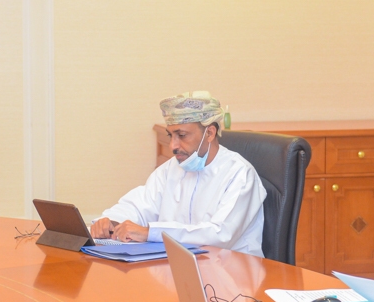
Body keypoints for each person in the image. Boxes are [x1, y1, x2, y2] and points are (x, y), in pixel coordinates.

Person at [92, 91, 265, 256]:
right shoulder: (171, 169)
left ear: (210, 133)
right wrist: (112, 222)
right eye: (171, 136)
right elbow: (139, 205)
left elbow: (219, 235)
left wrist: (150, 233)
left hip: (232, 274)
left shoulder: (239, 174)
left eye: (181, 135)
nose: (173, 146)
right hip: (179, 269)